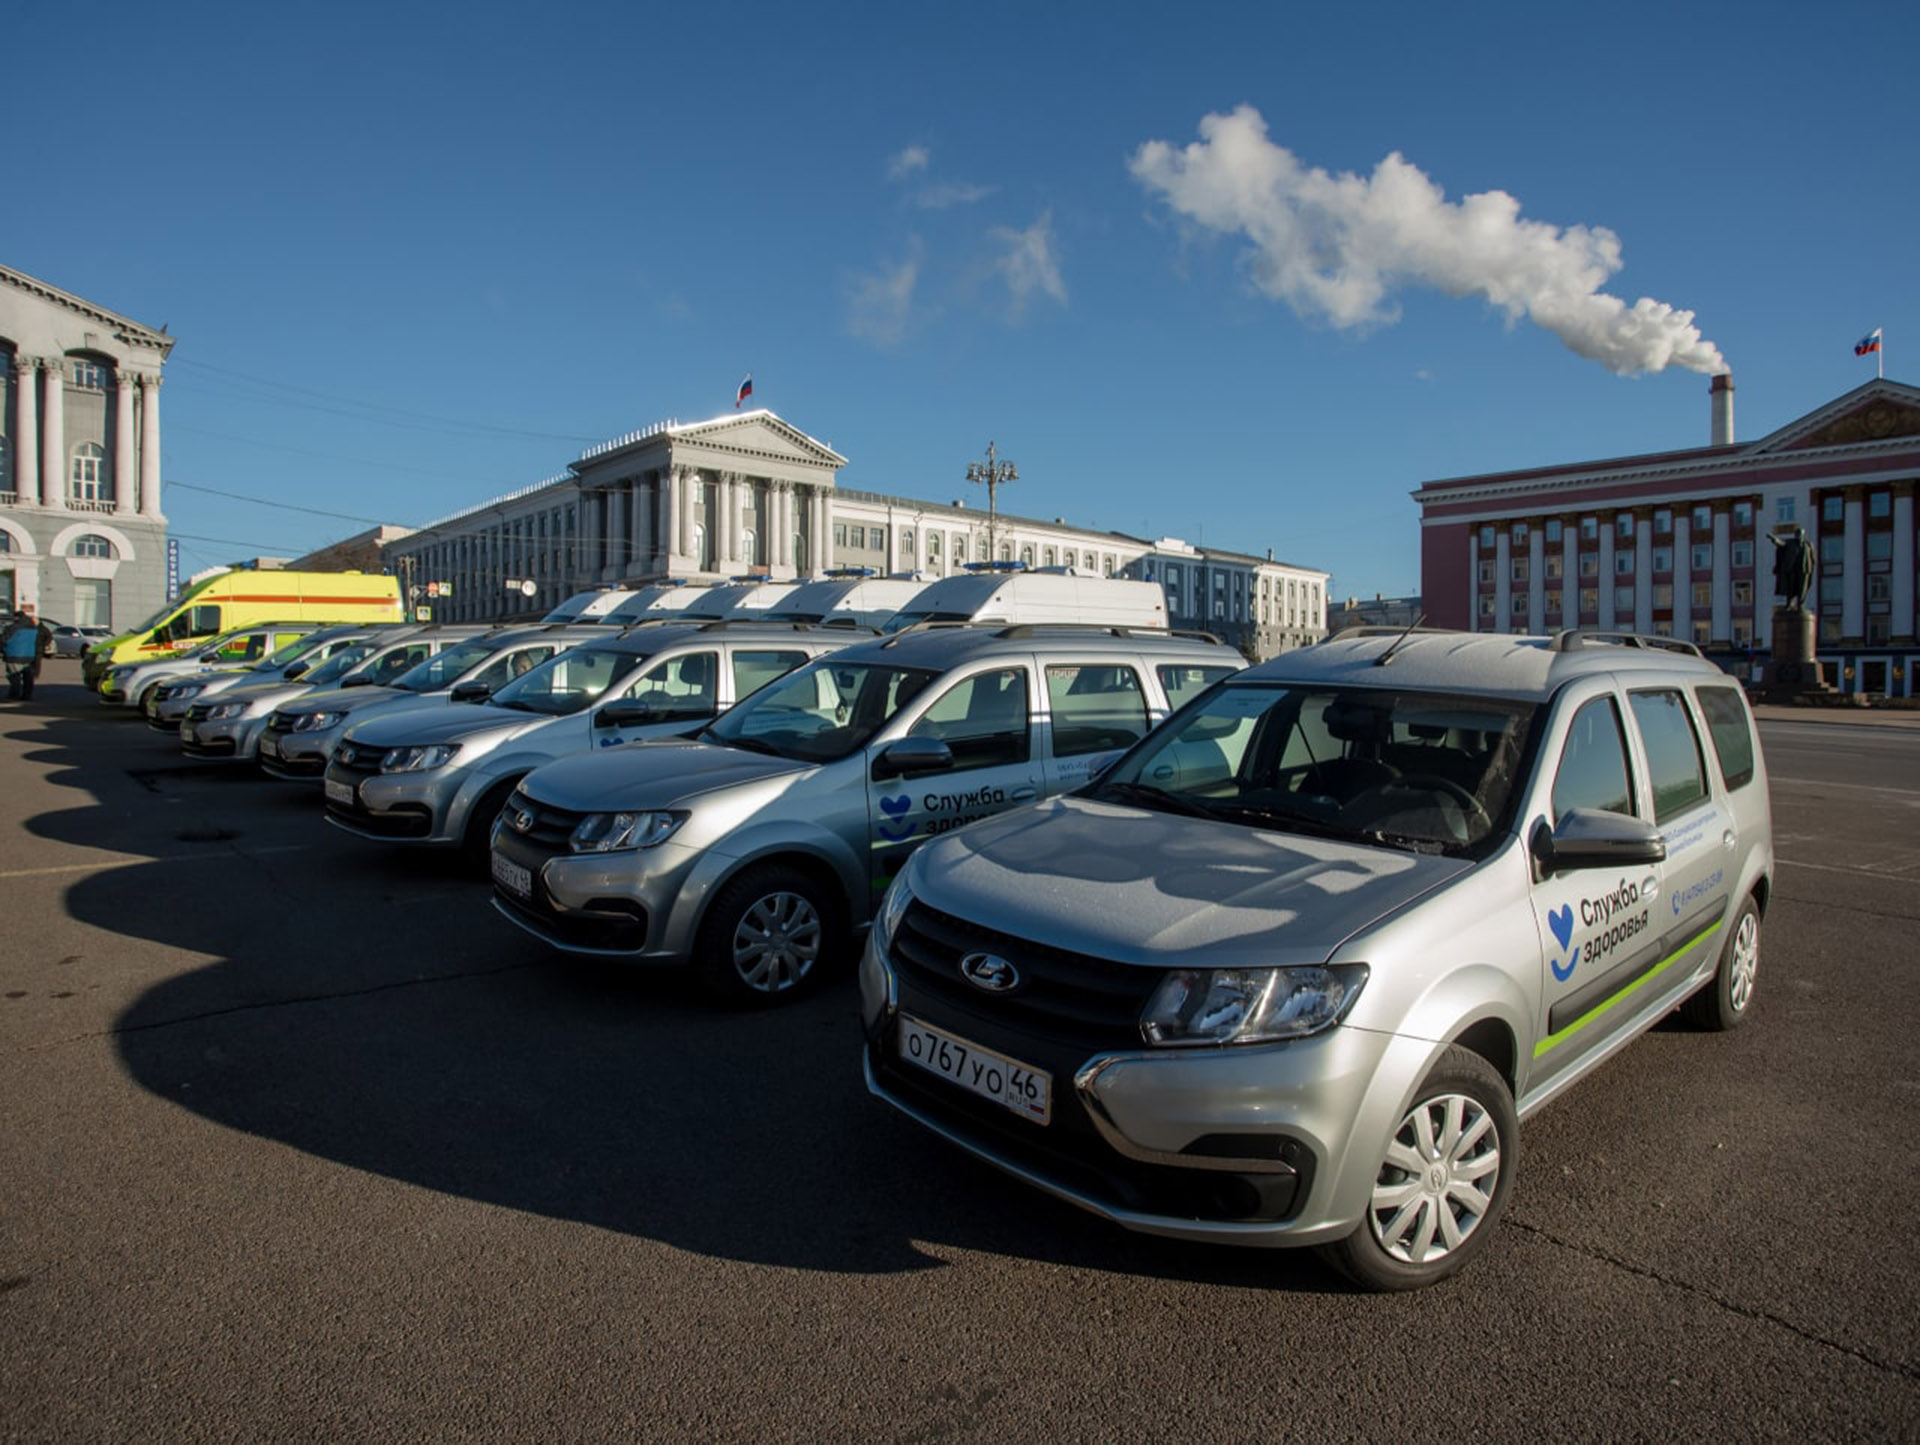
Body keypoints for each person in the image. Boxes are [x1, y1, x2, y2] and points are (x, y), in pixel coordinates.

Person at [3, 606, 52, 701]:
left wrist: (3, 650)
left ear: (16, 618)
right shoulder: (34, 628)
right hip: (30, 655)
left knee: (14, 676)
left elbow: (4, 640)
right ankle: (27, 695)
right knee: (28, 678)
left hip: (14, 655)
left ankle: (14, 694)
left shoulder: (12, 628)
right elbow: (45, 636)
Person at [1768, 525, 1815, 611]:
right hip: (1792, 569)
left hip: (1804, 570)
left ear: (1803, 535)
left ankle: (1800, 605)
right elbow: (1781, 543)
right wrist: (1774, 539)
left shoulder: (1809, 544)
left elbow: (1813, 558)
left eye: (1800, 534)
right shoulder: (1790, 543)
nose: (1798, 535)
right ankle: (1789, 603)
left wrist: (1812, 569)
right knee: (1790, 587)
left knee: (1802, 589)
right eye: (1797, 534)